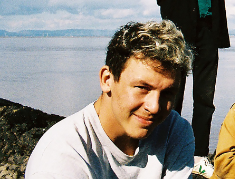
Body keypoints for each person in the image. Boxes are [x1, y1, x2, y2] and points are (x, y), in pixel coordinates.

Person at [25, 20, 195, 178]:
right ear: (107, 80)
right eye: (142, 88)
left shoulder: (174, 131)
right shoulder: (61, 158)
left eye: (167, 93)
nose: (154, 107)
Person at [152, 0, 230, 176]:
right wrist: (174, 15)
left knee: (205, 100)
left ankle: (199, 155)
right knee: (174, 96)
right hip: (180, 34)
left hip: (208, 32)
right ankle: (167, 153)